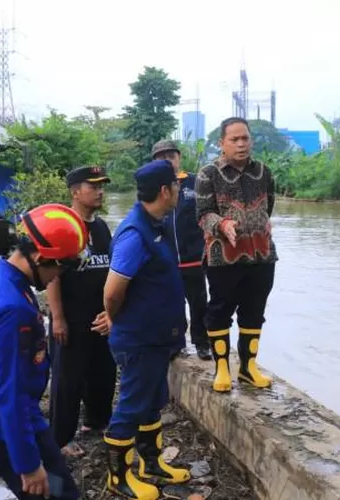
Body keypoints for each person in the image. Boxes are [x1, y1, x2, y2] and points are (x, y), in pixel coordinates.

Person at [0, 203, 87, 500]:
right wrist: (28, 463)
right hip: (5, 425)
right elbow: (10, 391)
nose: (58, 276)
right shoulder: (14, 307)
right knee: (60, 494)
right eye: (61, 265)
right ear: (39, 256)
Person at [102, 160, 191, 500]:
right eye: (177, 186)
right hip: (139, 339)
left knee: (152, 402)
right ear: (165, 191)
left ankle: (150, 465)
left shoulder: (159, 222)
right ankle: (118, 478)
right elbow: (112, 291)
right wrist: (115, 318)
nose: (180, 191)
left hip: (157, 337)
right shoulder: (134, 234)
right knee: (131, 406)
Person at [195, 117, 278, 393]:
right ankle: (222, 369)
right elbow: (203, 215)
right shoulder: (209, 174)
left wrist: (258, 224)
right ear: (222, 143)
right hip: (224, 258)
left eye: (245, 138)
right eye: (234, 139)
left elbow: (270, 205)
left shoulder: (263, 172)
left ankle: (248, 368)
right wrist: (223, 225)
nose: (241, 144)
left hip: (262, 255)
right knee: (220, 311)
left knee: (254, 311)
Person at [46, 166, 115, 458]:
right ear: (75, 192)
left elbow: (113, 270)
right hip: (71, 318)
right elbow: (52, 276)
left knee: (103, 372)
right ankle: (61, 438)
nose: (100, 191)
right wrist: (58, 318)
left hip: (101, 318)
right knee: (67, 379)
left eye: (102, 186)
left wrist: (113, 313)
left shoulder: (100, 228)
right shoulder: (64, 227)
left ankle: (97, 421)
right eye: (93, 186)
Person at [151, 140, 212, 361]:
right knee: (171, 304)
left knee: (199, 303)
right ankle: (175, 343)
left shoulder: (196, 183)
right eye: (161, 157)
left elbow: (208, 215)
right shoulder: (154, 188)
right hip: (166, 260)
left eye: (171, 156)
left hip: (194, 259)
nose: (167, 161)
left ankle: (202, 343)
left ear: (179, 158)